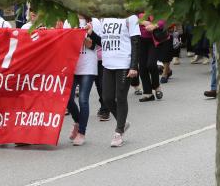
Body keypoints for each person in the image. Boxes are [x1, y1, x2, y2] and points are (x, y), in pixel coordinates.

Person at [91, 14, 141, 147]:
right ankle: (123, 122)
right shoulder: (105, 18)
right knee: (107, 98)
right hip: (108, 64)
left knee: (120, 97)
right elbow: (103, 41)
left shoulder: (130, 17)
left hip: (124, 63)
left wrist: (134, 66)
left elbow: (135, 42)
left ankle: (119, 132)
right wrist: (91, 33)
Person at [67, 16, 101, 146]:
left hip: (88, 66)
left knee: (83, 99)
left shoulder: (94, 21)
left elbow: (102, 42)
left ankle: (81, 132)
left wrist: (91, 42)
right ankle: (77, 121)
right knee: (68, 99)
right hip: (72, 65)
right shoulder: (68, 21)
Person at [135, 14, 166, 103]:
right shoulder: (134, 5)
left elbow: (164, 19)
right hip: (139, 39)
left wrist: (154, 25)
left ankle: (156, 86)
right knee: (142, 67)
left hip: (154, 39)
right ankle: (148, 93)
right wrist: (142, 21)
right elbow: (128, 18)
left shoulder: (154, 4)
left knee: (151, 64)